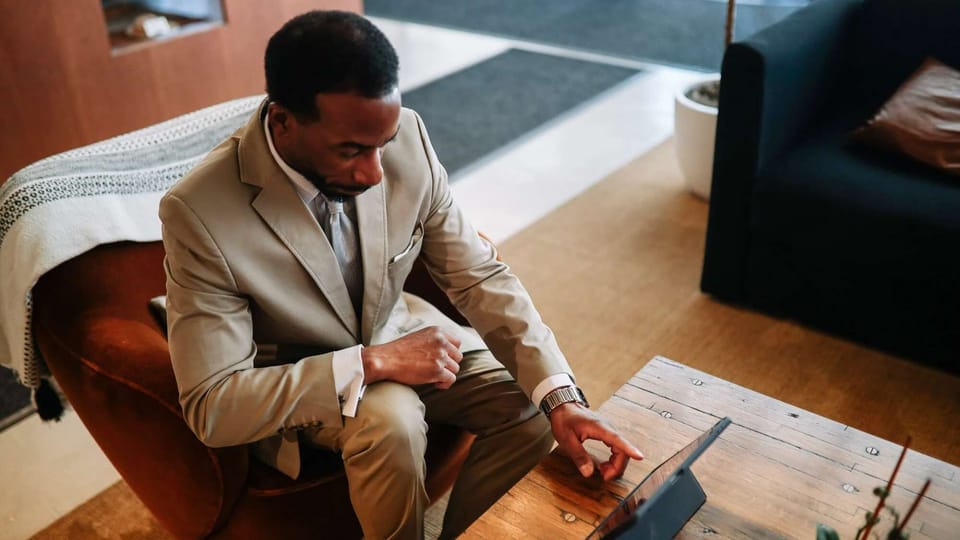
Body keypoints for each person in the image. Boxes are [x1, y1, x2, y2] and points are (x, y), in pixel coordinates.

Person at [159, 9, 643, 539]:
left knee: (531, 400)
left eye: (381, 145)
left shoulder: (408, 136)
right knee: (392, 421)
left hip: (403, 330)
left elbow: (478, 275)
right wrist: (374, 362)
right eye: (350, 151)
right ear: (282, 122)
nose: (372, 174)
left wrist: (563, 401)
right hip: (303, 379)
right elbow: (213, 406)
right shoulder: (198, 211)